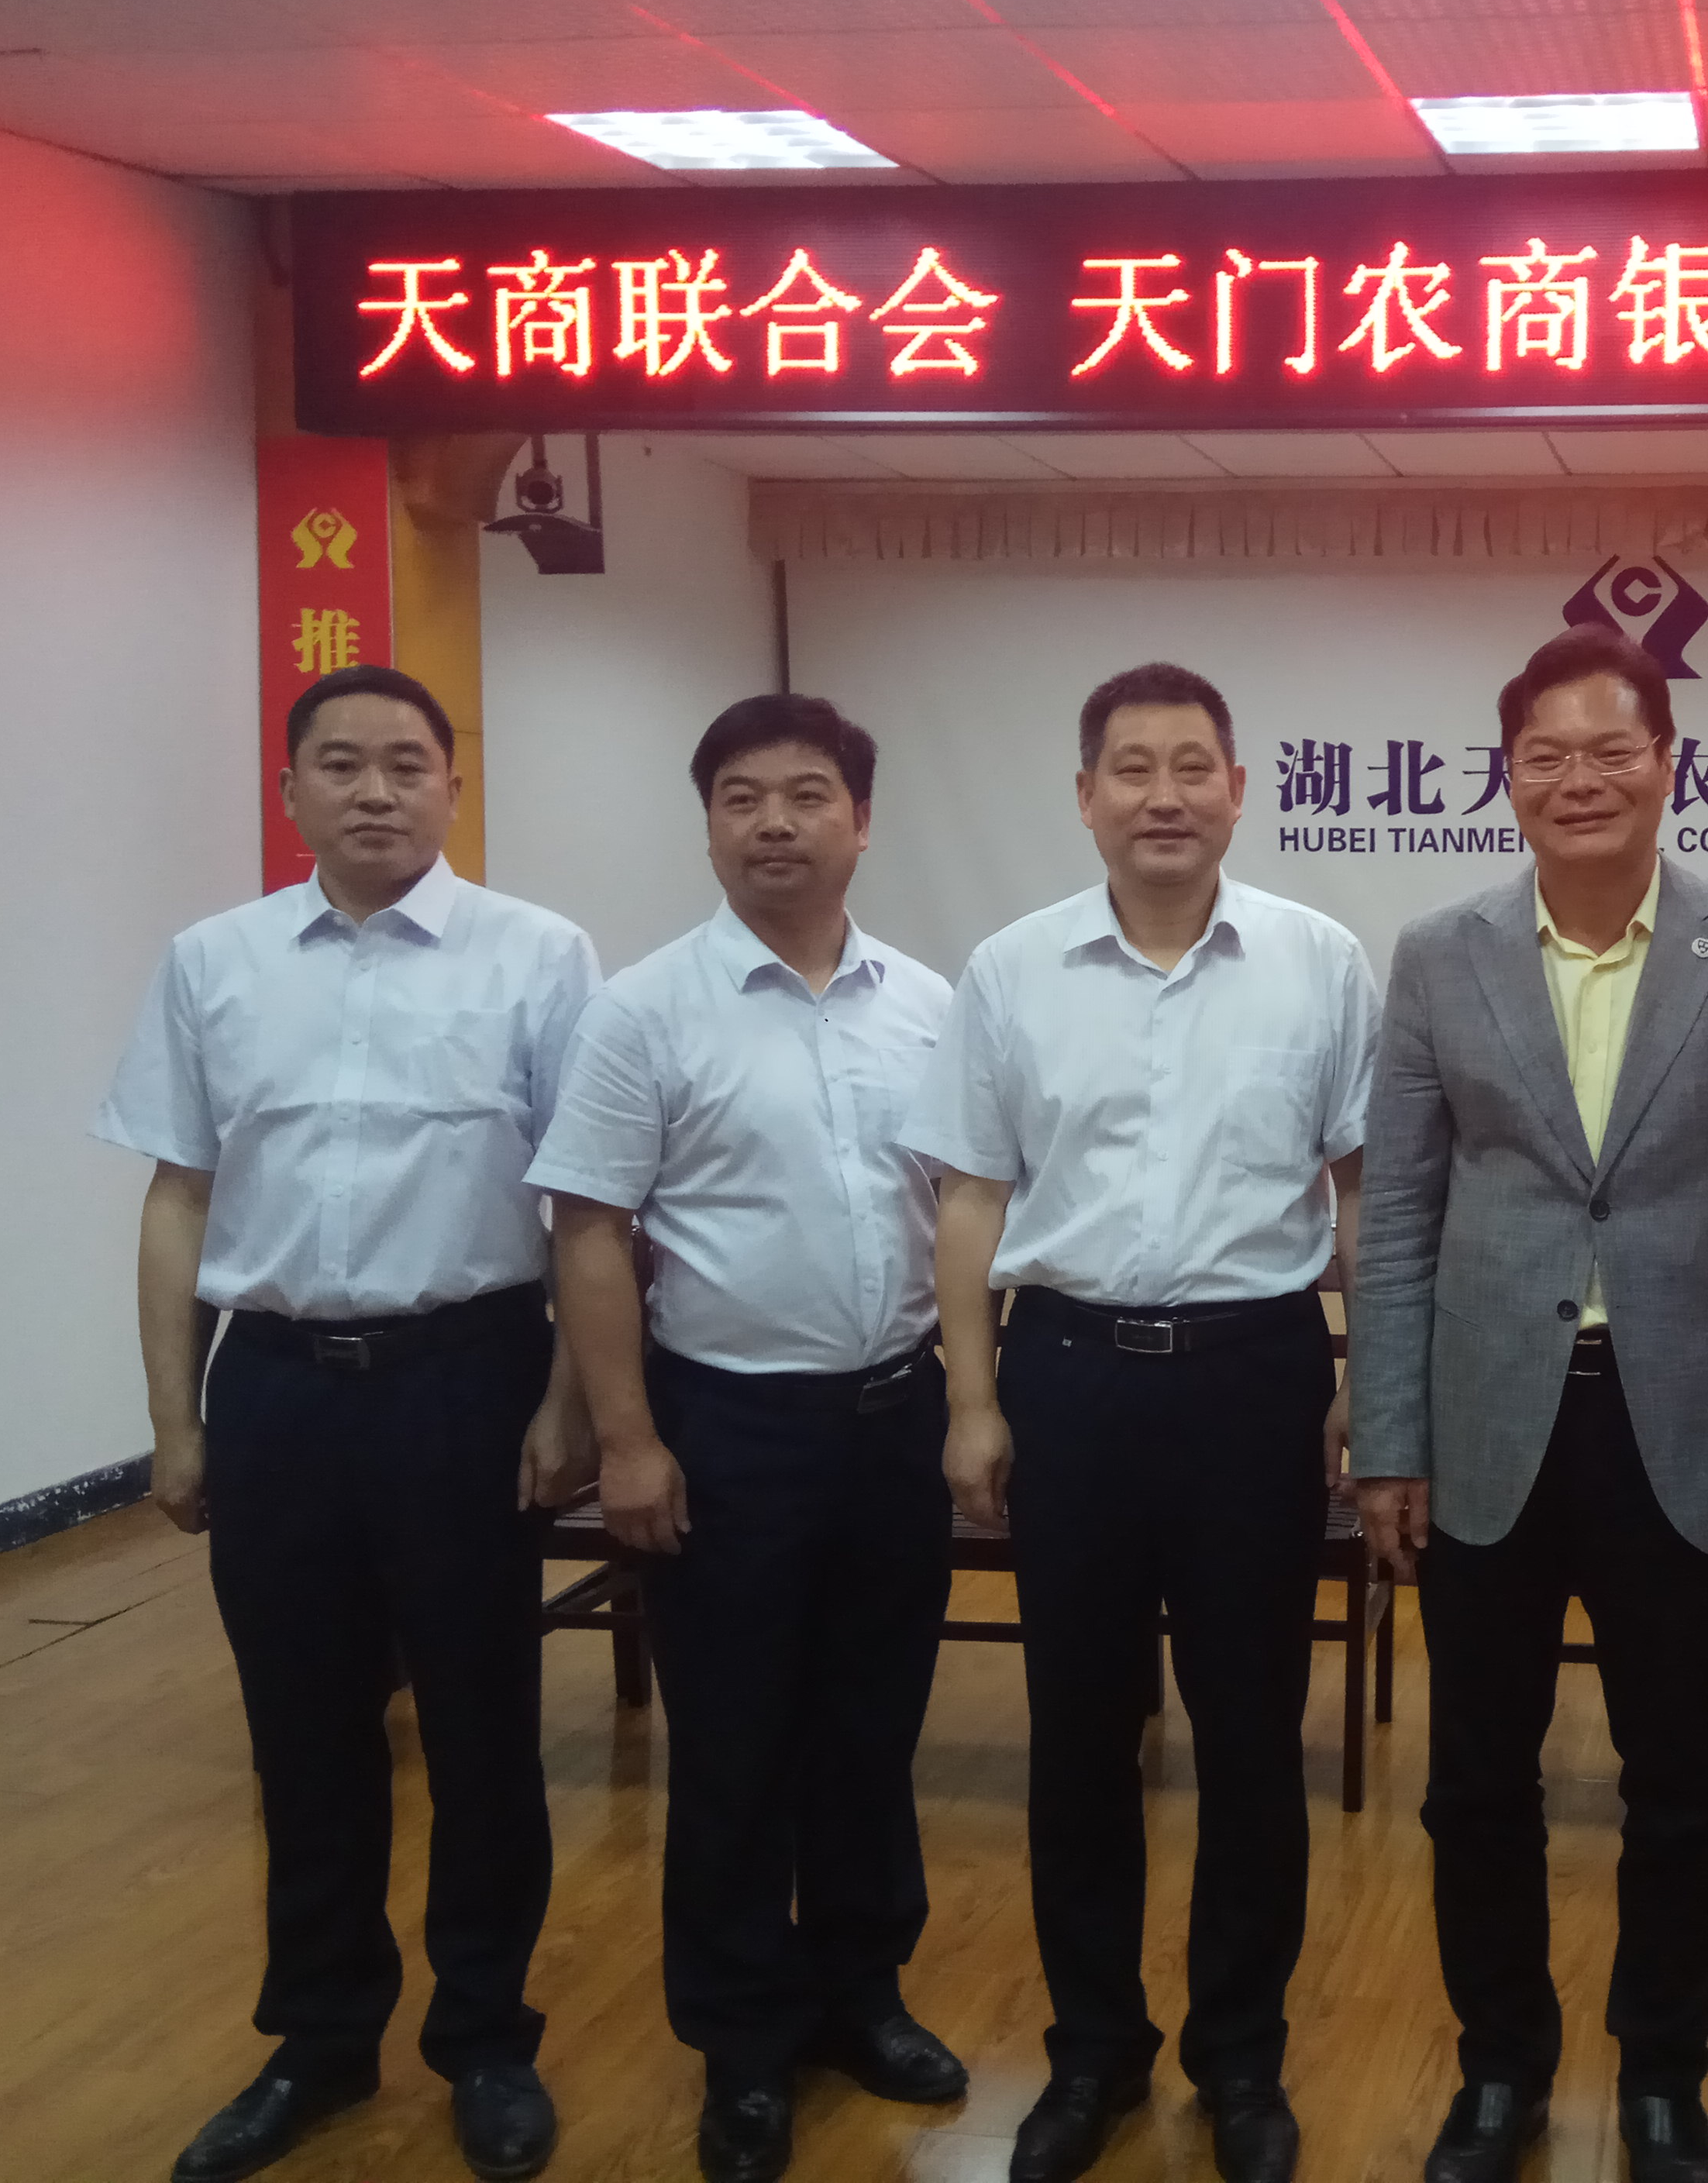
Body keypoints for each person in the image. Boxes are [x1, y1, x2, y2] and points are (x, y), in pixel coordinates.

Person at [95, 665, 599, 2183]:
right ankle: (318, 2042)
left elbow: (586, 1204)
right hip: (277, 1389)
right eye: (340, 764)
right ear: (290, 791)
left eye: (404, 764)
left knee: (482, 1727)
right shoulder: (215, 962)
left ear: (452, 785)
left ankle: (486, 2038)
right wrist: (176, 1419)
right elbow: (179, 1194)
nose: (374, 790)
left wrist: (569, 1399)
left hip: (468, 1379)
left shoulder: (539, 955)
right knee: (302, 1732)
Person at [1348, 622, 1708, 2183]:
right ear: (1507, 778)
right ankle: (1499, 2072)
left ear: (1666, 765)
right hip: (1489, 1422)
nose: (1580, 779)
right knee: (1475, 1778)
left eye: (1611, 750)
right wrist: (1388, 1438)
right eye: (1545, 756)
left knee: (1677, 1780)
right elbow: (1397, 1214)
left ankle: (1664, 2081)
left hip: (1676, 1425)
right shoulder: (1441, 953)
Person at [907, 662, 1378, 2183]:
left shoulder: (1318, 962)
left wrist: (1368, 1378)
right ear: (1085, 795)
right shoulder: (1011, 969)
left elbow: (1364, 1192)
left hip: (1255, 1376)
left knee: (1251, 1739)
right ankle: (1093, 2053)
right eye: (1131, 767)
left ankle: (1242, 2058)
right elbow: (971, 1196)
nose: (1162, 795)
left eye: (1191, 767)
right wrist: (972, 1398)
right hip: (1071, 1377)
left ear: (1238, 791)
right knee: (1079, 1737)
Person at [529, 694, 964, 2183]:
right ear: (709, 823)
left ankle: (862, 1997)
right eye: (741, 798)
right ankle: (743, 2045)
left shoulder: (932, 1005)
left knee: (870, 1730)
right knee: (732, 1746)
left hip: (894, 1419)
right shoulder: (643, 1010)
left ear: (862, 820)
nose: (775, 822)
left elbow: (965, 1214)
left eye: (808, 794)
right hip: (725, 1429)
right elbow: (591, 1230)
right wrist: (628, 1439)